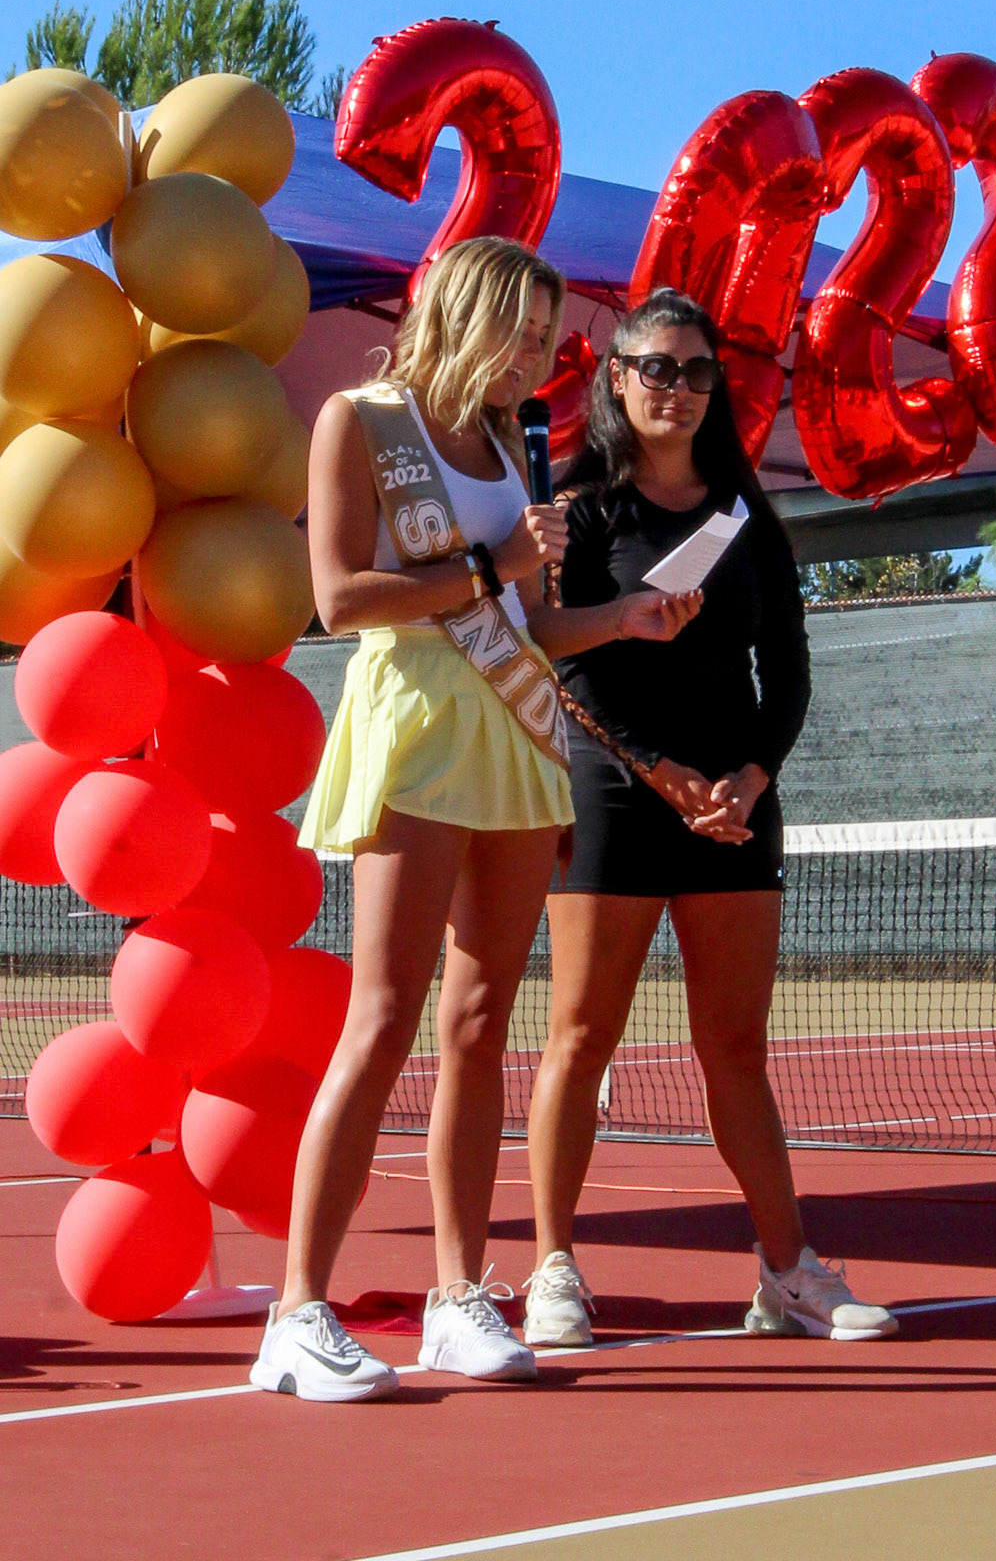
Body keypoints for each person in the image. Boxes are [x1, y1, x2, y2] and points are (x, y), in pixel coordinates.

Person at [250, 237, 690, 1402]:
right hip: (416, 722)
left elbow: (532, 622)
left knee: (482, 1020)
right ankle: (297, 1310)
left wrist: (625, 618)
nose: (535, 358)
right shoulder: (361, 420)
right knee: (384, 1015)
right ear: (464, 314)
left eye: (545, 340)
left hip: (513, 733)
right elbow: (340, 597)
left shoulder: (511, 447)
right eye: (522, 333)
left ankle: (456, 1295)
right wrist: (493, 568)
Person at [521, 289, 896, 1347]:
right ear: (617, 378)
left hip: (735, 807)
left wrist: (750, 776)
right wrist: (660, 772)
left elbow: (789, 669)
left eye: (695, 371)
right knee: (580, 1036)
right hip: (612, 796)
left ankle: (787, 1273)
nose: (676, 388)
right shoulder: (581, 512)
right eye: (656, 367)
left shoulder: (746, 516)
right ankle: (552, 1268)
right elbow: (567, 664)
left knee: (735, 1049)